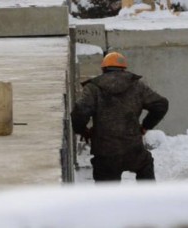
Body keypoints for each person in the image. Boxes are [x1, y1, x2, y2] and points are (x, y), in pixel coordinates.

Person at [71, 51, 169, 182]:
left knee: (107, 197)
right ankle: (148, 200)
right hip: (133, 150)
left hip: (105, 152)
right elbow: (160, 104)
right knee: (145, 167)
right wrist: (146, 126)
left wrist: (83, 131)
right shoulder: (137, 86)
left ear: (104, 69)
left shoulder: (93, 88)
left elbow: (80, 111)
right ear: (124, 69)